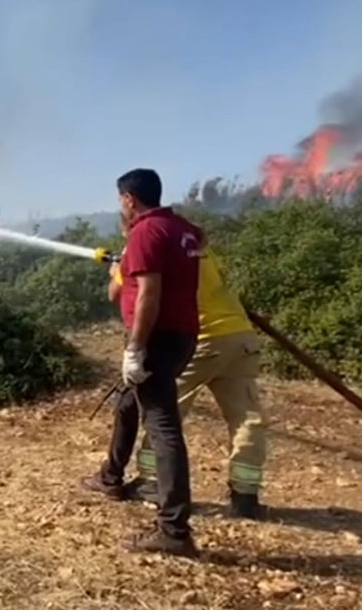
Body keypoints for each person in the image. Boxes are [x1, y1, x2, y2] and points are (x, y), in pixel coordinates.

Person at [80, 168, 202, 557]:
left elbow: (148, 292)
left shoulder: (147, 232)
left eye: (121, 201)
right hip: (181, 336)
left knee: (163, 426)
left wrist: (135, 349)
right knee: (129, 403)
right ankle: (110, 476)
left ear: (129, 199)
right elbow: (189, 246)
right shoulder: (180, 228)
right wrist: (127, 254)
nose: (121, 207)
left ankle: (174, 530)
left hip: (156, 339)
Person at [109, 239, 268, 519]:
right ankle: (245, 496)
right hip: (239, 336)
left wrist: (116, 270)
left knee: (163, 413)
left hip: (201, 339)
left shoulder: (146, 248)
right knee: (246, 417)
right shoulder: (201, 248)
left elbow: (118, 292)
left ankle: (150, 482)